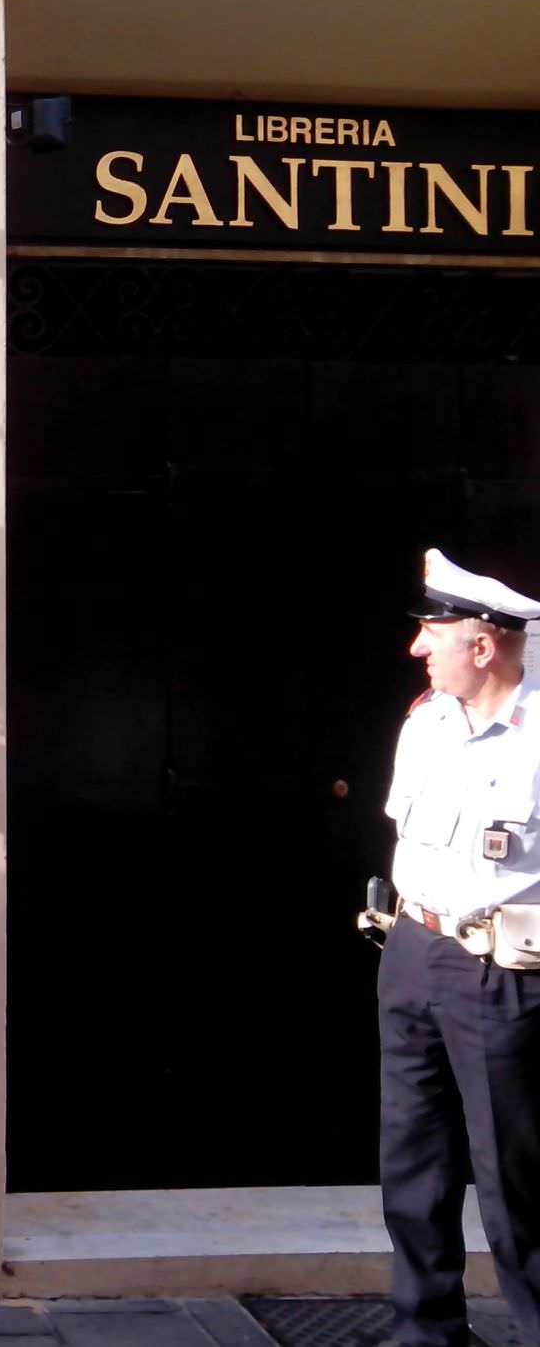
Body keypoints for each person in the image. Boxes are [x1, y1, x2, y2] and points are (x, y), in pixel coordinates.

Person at [376, 549, 540, 1347]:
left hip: (503, 975)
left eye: (431, 633)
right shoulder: (428, 718)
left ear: (483, 644)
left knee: (517, 1179)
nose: (417, 649)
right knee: (413, 1161)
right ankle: (426, 1331)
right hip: (415, 951)